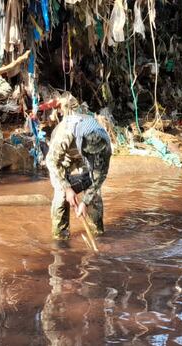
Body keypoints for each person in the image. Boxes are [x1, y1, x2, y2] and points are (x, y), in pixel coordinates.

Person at [45, 94, 112, 240]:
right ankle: (60, 238)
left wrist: (84, 202)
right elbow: (51, 161)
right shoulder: (65, 133)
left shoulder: (105, 146)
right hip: (64, 157)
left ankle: (98, 234)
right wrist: (67, 188)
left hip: (85, 159)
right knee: (61, 195)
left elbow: (99, 176)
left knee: (94, 195)